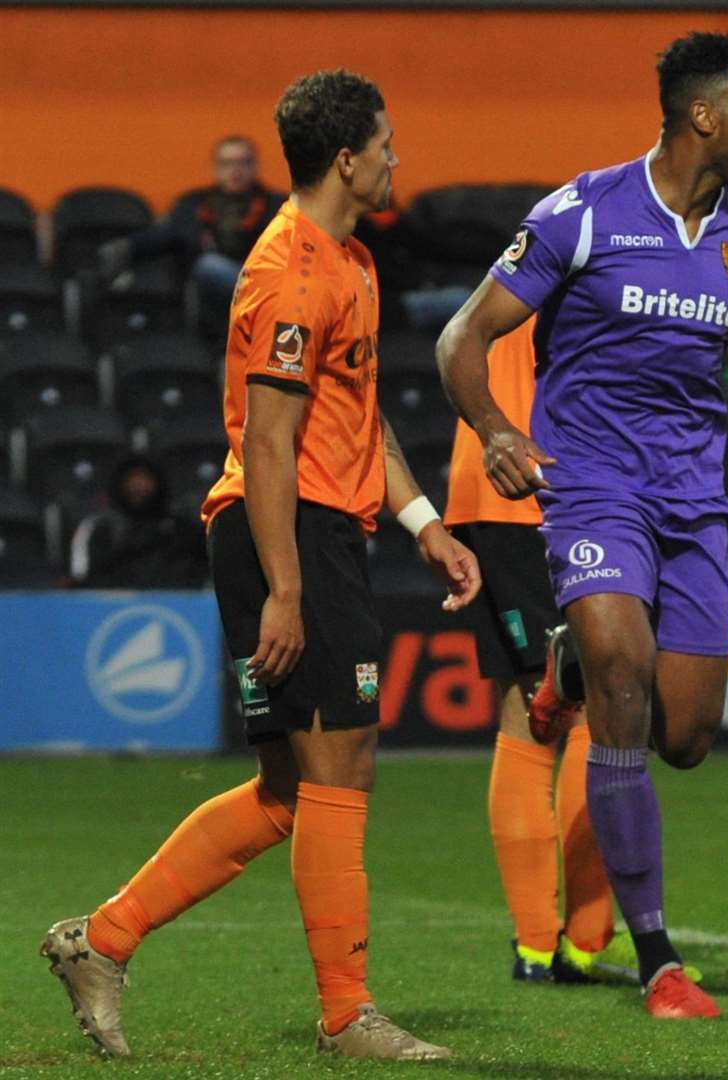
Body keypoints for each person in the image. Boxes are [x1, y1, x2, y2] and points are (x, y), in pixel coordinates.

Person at [40, 69, 479, 1062]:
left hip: (324, 528)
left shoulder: (354, 263)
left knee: (293, 786)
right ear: (346, 158)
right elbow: (270, 443)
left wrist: (422, 523)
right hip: (286, 532)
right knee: (341, 763)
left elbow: (353, 419)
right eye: (387, 143)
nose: (396, 159)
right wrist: (285, 587)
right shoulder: (289, 274)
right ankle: (346, 1015)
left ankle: (98, 942)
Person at [437, 31, 728, 1020]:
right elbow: (462, 337)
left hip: (694, 501)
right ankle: (657, 956)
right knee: (623, 679)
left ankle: (567, 668)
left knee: (687, 736)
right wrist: (494, 428)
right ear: (703, 115)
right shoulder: (583, 214)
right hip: (593, 486)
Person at [443, 317, 617, 984]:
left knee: (533, 708)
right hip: (543, 488)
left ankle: (544, 944)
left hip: (495, 487)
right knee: (598, 707)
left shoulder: (541, 243)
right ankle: (578, 941)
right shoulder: (613, 243)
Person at [99, 135, 281, 316]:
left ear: (255, 166)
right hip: (210, 282)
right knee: (207, 263)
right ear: (215, 168)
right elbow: (171, 235)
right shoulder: (193, 204)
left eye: (243, 163)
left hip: (267, 280)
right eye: (227, 163)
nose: (235, 170)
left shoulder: (278, 205)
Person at [67, 453, 207, 589]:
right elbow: (82, 583)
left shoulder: (181, 531)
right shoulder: (98, 529)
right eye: (132, 478)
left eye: (145, 477)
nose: (139, 485)